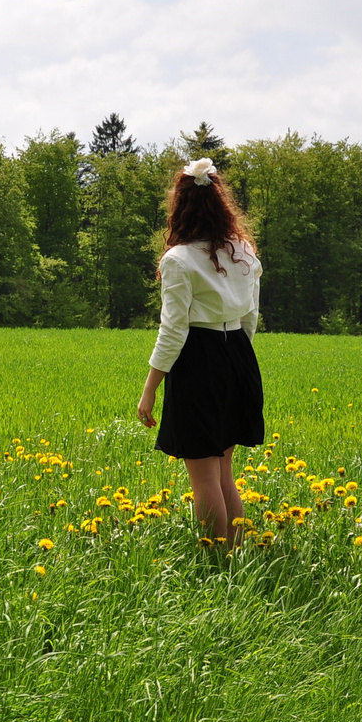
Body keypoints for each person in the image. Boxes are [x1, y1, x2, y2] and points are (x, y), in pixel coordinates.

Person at [136, 157, 264, 544]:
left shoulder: (178, 260)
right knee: (224, 472)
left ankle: (216, 562)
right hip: (239, 355)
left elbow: (173, 330)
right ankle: (237, 556)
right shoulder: (242, 251)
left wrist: (150, 388)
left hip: (199, 361)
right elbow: (251, 317)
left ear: (180, 207)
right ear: (220, 203)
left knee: (205, 478)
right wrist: (234, 360)